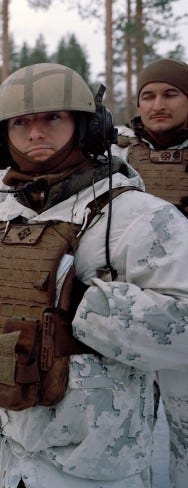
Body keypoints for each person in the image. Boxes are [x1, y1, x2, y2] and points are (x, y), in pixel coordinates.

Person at [0, 63, 188, 487]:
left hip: (94, 464)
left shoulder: (140, 217)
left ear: (87, 128)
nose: (36, 132)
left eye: (52, 117)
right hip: (8, 455)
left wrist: (82, 307)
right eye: (21, 122)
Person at [113, 58, 188, 487]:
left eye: (170, 94)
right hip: (127, 310)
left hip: (182, 315)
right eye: (148, 95)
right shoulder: (115, 156)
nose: (158, 104)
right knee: (125, 427)